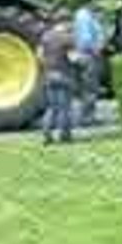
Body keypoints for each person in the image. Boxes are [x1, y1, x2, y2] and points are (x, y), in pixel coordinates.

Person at [39, 11, 76, 145]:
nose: (71, 25)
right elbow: (73, 57)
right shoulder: (67, 38)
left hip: (49, 75)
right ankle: (65, 136)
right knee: (64, 108)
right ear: (64, 22)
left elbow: (40, 55)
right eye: (70, 23)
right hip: (64, 75)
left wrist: (47, 66)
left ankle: (46, 135)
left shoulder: (46, 36)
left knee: (51, 108)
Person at [73, 0, 105, 126]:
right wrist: (96, 51)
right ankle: (87, 118)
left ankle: (87, 116)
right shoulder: (84, 16)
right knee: (90, 87)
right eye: (95, 1)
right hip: (89, 55)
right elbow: (86, 39)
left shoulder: (84, 15)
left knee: (88, 87)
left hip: (86, 55)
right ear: (89, 2)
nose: (97, 4)